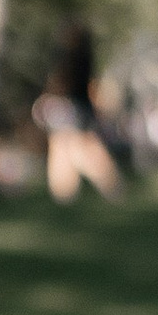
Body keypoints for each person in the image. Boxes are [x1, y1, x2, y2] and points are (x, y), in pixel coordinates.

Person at [37, 18, 121, 203]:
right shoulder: (77, 56)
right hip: (75, 109)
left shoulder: (76, 59)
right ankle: (66, 191)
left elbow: (66, 83)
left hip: (74, 108)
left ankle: (71, 190)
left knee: (75, 148)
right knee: (69, 147)